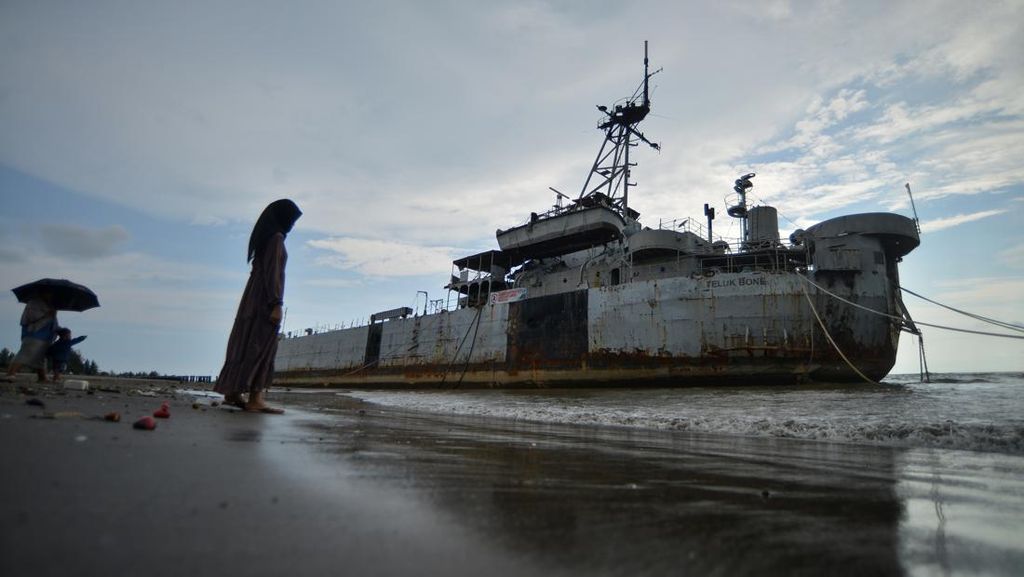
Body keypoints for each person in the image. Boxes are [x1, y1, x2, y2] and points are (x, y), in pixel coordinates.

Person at [215, 199, 301, 413]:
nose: (293, 225)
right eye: (292, 220)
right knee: (262, 346)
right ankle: (255, 399)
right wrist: (277, 303)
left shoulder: (265, 238)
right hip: (265, 299)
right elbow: (273, 275)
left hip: (251, 298)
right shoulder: (277, 240)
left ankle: (232, 392)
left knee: (243, 342)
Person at [3, 294, 58, 383]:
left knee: (40, 358)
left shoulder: (51, 306)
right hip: (34, 333)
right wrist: (48, 314)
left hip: (46, 336)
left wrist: (58, 329)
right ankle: (11, 374)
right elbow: (31, 317)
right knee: (26, 353)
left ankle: (42, 377)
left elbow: (53, 323)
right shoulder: (34, 302)